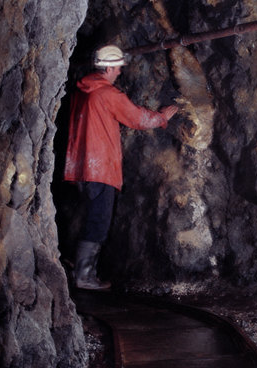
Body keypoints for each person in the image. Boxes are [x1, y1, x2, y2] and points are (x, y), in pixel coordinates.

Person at [62, 44, 179, 290]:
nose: (119, 73)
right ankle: (84, 277)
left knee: (91, 216)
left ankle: (79, 266)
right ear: (110, 67)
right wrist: (162, 118)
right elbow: (136, 117)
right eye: (118, 68)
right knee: (99, 220)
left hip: (83, 167)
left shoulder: (83, 90)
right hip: (101, 168)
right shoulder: (107, 94)